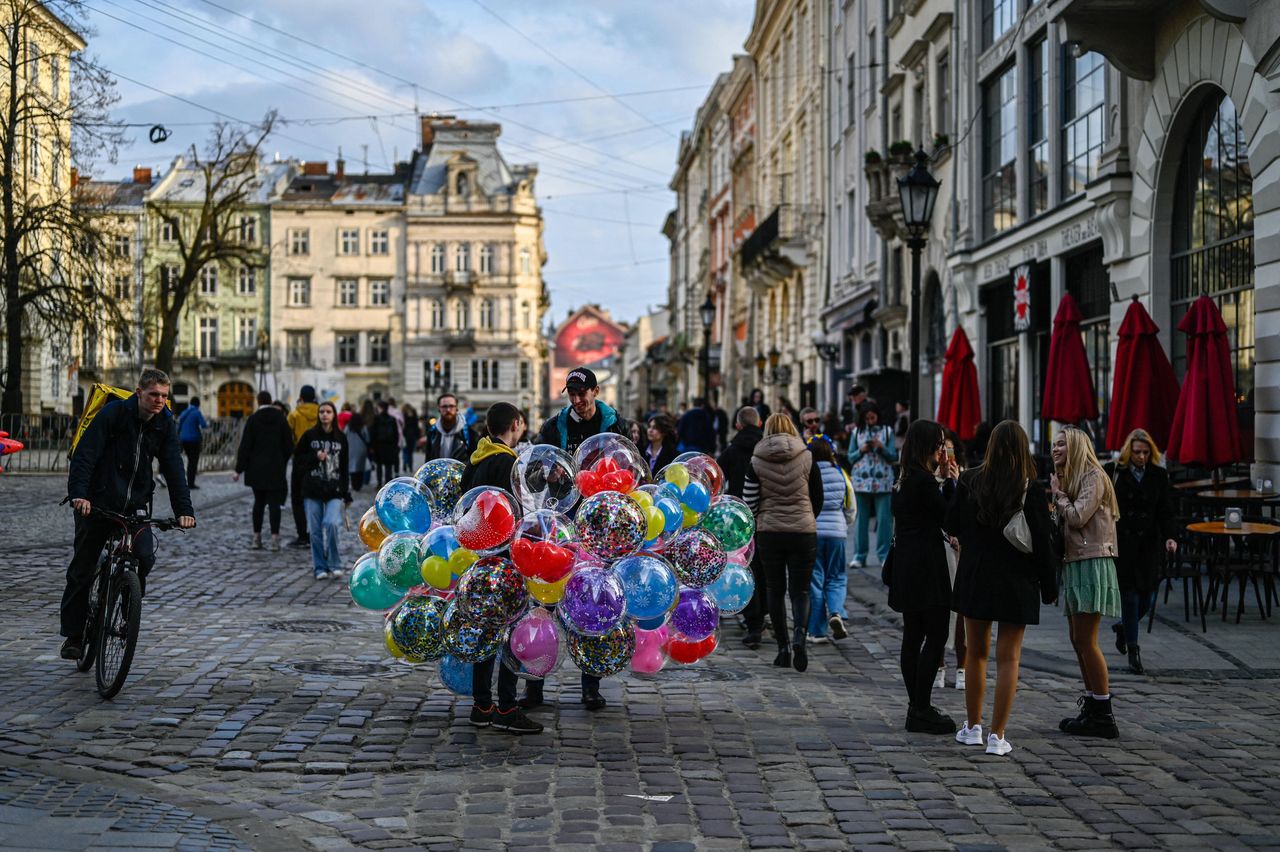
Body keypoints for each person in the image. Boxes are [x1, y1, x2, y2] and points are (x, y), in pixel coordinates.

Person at [61, 368, 196, 661]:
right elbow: (86, 454)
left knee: (145, 556)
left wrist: (184, 510)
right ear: (139, 393)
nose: (159, 400)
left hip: (135, 504)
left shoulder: (164, 424)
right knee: (82, 567)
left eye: (164, 395)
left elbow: (173, 467)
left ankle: (127, 607)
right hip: (97, 501)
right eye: (153, 395)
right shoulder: (113, 415)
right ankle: (73, 636)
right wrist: (79, 495)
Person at [945, 421, 1056, 756]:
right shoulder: (1030, 488)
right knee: (1009, 658)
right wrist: (1050, 586)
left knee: (976, 654)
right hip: (1016, 581)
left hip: (976, 577)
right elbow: (1042, 543)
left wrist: (953, 485)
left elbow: (951, 524)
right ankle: (998, 735)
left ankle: (973, 727)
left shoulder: (969, 480)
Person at [532, 366, 629, 711]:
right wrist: (549, 472)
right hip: (561, 521)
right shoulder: (552, 427)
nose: (577, 400)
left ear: (596, 391)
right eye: (572, 394)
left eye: (582, 393)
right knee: (545, 598)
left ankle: (591, 685)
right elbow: (533, 471)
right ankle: (534, 685)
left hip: (601, 523)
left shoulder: (616, 425)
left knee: (595, 599)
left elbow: (633, 469)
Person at [459, 402, 543, 734]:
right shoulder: (507, 461)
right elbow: (516, 514)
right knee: (510, 632)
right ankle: (507, 707)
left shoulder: (475, 458)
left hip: (480, 558)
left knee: (485, 629)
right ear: (517, 424)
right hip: (506, 559)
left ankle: (482, 705)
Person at [1051, 426, 1122, 739]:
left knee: (1087, 639)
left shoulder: (1094, 475)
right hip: (1076, 562)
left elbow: (1078, 517)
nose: (1055, 449)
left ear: (1077, 446)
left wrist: (1059, 497)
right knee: (1077, 638)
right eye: (1054, 445)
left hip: (1092, 561)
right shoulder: (1074, 479)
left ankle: (1103, 712)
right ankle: (1092, 704)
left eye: (1061, 444)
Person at [888, 419, 958, 734]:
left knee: (913, 634)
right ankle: (921, 706)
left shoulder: (904, 479)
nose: (943, 449)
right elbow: (950, 518)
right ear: (929, 446)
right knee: (937, 633)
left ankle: (915, 704)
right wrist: (954, 483)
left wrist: (940, 479)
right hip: (926, 566)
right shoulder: (923, 481)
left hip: (906, 562)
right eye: (940, 443)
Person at [743, 414, 824, 672]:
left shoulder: (756, 461)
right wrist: (807, 517)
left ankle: (783, 648)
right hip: (803, 531)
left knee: (775, 590)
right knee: (800, 591)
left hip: (770, 532)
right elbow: (817, 497)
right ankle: (800, 634)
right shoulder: (808, 457)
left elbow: (750, 502)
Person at [1105, 429, 1178, 675]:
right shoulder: (1116, 472)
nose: (1142, 457)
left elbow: (1166, 509)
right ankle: (1133, 650)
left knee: (1148, 596)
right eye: (1137, 452)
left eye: (1146, 452)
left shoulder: (1158, 475)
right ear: (1129, 451)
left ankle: (1124, 628)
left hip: (1149, 544)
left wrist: (1170, 536)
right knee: (1131, 596)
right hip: (1123, 544)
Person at [717, 407, 766, 647]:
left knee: (747, 567)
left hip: (738, 521)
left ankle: (753, 621)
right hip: (767, 517)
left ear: (737, 426)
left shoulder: (733, 450)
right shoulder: (765, 449)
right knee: (767, 570)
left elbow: (715, 477)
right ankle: (766, 616)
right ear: (760, 423)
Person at [294, 401, 352, 580]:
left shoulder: (340, 438)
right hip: (312, 489)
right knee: (315, 530)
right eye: (321, 412)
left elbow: (344, 467)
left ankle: (334, 563)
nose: (324, 415)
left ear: (334, 415)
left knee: (332, 524)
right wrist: (314, 457)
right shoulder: (309, 436)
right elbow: (298, 460)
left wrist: (346, 492)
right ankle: (319, 566)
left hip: (334, 489)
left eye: (328, 412)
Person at [806, 437, 854, 643]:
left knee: (815, 581)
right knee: (836, 577)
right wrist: (845, 524)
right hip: (837, 532)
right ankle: (836, 611)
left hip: (814, 530)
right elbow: (851, 504)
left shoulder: (807, 473)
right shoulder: (840, 473)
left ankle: (816, 630)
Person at [233, 390, 293, 551]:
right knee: (274, 505)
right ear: (271, 400)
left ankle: (256, 537)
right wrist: (282, 460)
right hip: (276, 468)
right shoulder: (281, 419)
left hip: (256, 469)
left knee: (258, 503)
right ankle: (275, 539)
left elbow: (245, 446)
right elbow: (289, 445)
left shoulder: (253, 419)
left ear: (258, 401)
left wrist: (239, 469)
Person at [848, 403, 898, 568]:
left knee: (884, 521)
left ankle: (884, 556)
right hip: (861, 482)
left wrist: (882, 447)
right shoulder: (857, 432)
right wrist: (861, 450)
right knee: (861, 521)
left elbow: (893, 456)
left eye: (872, 417)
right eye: (867, 418)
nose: (870, 421)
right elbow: (850, 457)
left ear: (878, 416)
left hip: (883, 482)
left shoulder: (887, 431)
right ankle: (859, 555)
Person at [937, 430, 968, 691]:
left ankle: (961, 667)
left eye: (950, 451)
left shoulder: (965, 479)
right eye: (942, 451)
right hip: (939, 550)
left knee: (961, 612)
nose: (947, 457)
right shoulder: (930, 480)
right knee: (939, 610)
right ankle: (939, 665)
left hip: (961, 552)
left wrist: (958, 484)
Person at [286, 386, 320, 549]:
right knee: (318, 496)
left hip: (300, 459)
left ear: (301, 397)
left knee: (297, 498)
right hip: (320, 458)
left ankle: (302, 534)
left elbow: (287, 437)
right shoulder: (322, 413)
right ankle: (317, 532)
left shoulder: (294, 414)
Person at [421, 393, 477, 464]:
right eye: (444, 406)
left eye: (451, 406)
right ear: (439, 408)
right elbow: (428, 462)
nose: (448, 410)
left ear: (456, 408)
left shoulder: (469, 433)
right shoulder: (432, 432)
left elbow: (474, 462)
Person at [176, 395, 208, 489]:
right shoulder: (196, 412)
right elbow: (204, 425)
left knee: (185, 460)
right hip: (194, 440)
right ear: (198, 405)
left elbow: (179, 426)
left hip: (183, 440)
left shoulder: (184, 412)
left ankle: (183, 481)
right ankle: (191, 483)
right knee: (193, 462)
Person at [370, 400, 400, 487]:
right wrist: (395, 445)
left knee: (379, 466)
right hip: (389, 445)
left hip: (379, 445)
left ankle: (379, 483)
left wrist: (372, 446)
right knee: (388, 466)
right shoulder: (392, 419)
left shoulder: (376, 419)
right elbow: (396, 434)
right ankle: (387, 483)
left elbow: (373, 433)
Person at [345, 410, 371, 492]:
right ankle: (358, 484)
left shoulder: (348, 427)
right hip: (361, 450)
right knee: (360, 468)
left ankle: (353, 484)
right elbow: (367, 438)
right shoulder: (363, 427)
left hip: (350, 449)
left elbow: (343, 437)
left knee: (352, 467)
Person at [400, 403, 421, 474]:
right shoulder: (414, 415)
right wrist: (418, 437)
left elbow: (401, 427)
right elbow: (416, 427)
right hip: (412, 436)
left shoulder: (403, 415)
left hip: (405, 436)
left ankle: (405, 465)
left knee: (405, 451)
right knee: (410, 452)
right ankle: (410, 466)